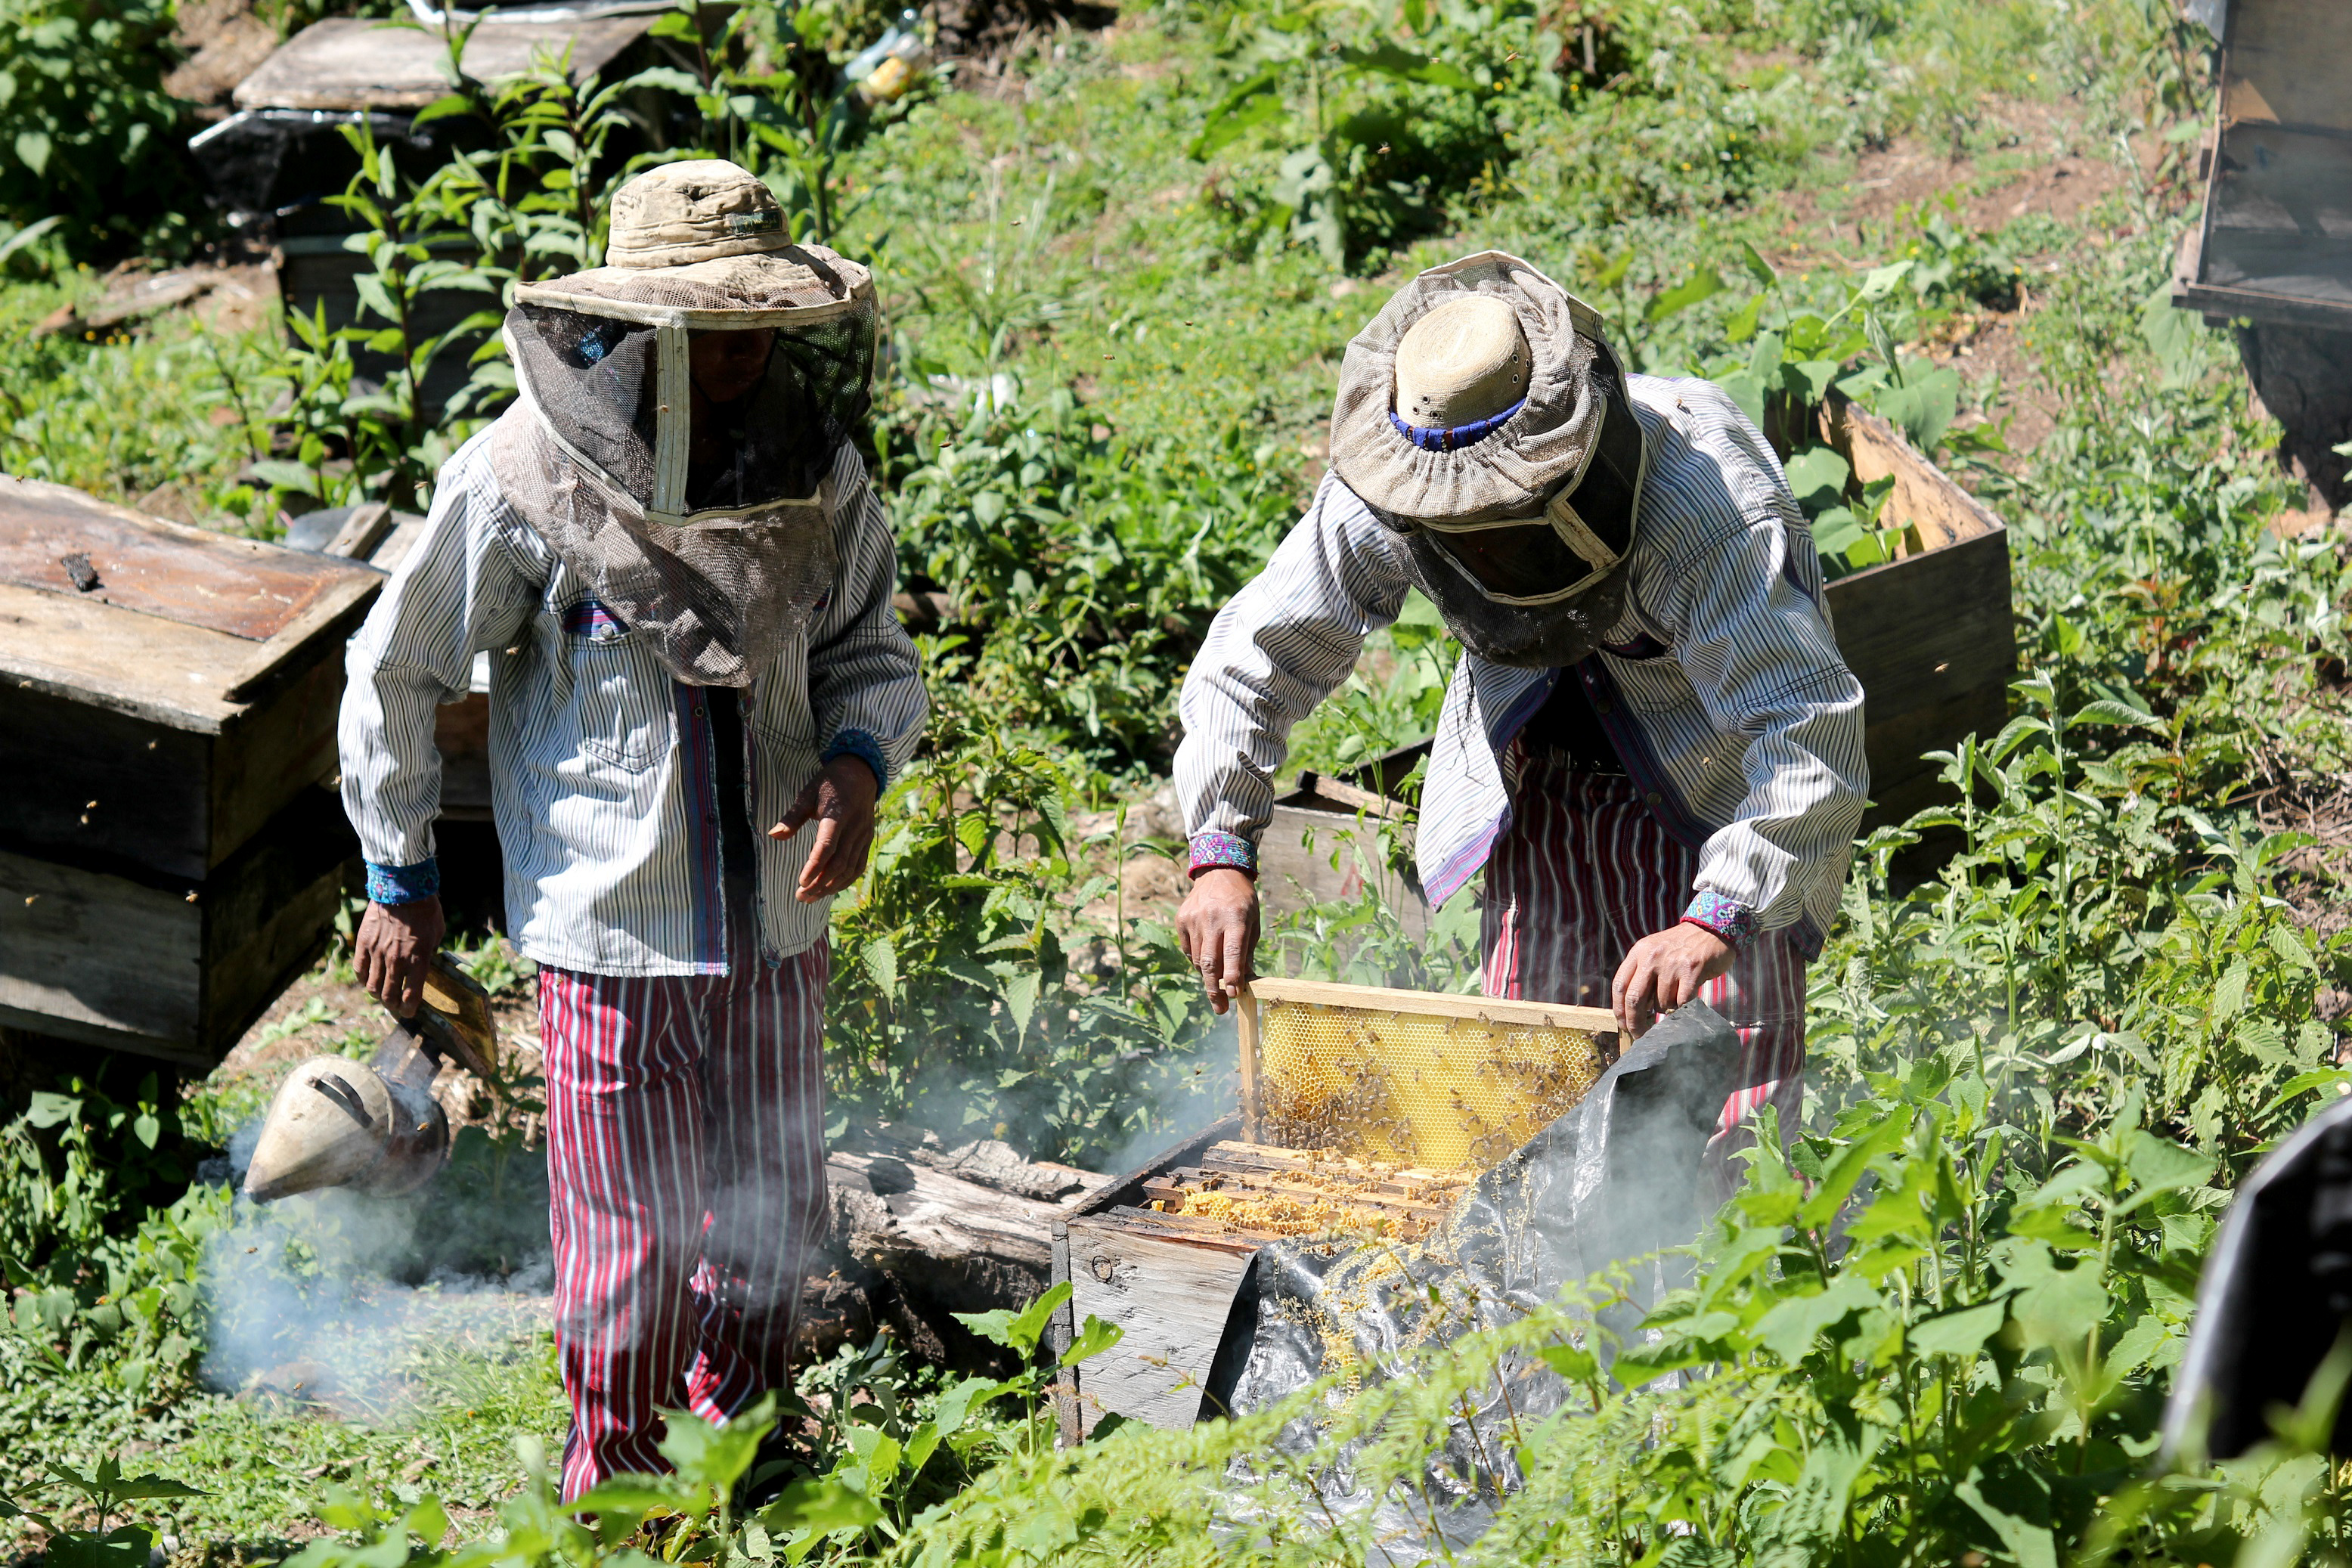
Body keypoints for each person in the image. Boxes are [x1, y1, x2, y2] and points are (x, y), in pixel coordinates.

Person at [336, 161, 928, 1497]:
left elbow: (871, 652)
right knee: (633, 1242)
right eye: (715, 326)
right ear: (637, 322)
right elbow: (398, 664)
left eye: (762, 319)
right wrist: (400, 871)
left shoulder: (819, 471)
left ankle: (747, 1462)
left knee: (769, 1216)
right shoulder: (519, 477)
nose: (748, 350)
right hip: (612, 939)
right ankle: (621, 1491)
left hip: (778, 920)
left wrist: (853, 763)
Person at [1173, 251, 1866, 1161]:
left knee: (1722, 1140)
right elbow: (1257, 650)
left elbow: (1805, 729)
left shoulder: (1707, 500)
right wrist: (1219, 853)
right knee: (1524, 1116)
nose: (1487, 562)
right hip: (1537, 790)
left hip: (1718, 802)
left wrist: (1713, 919)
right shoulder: (1398, 478)